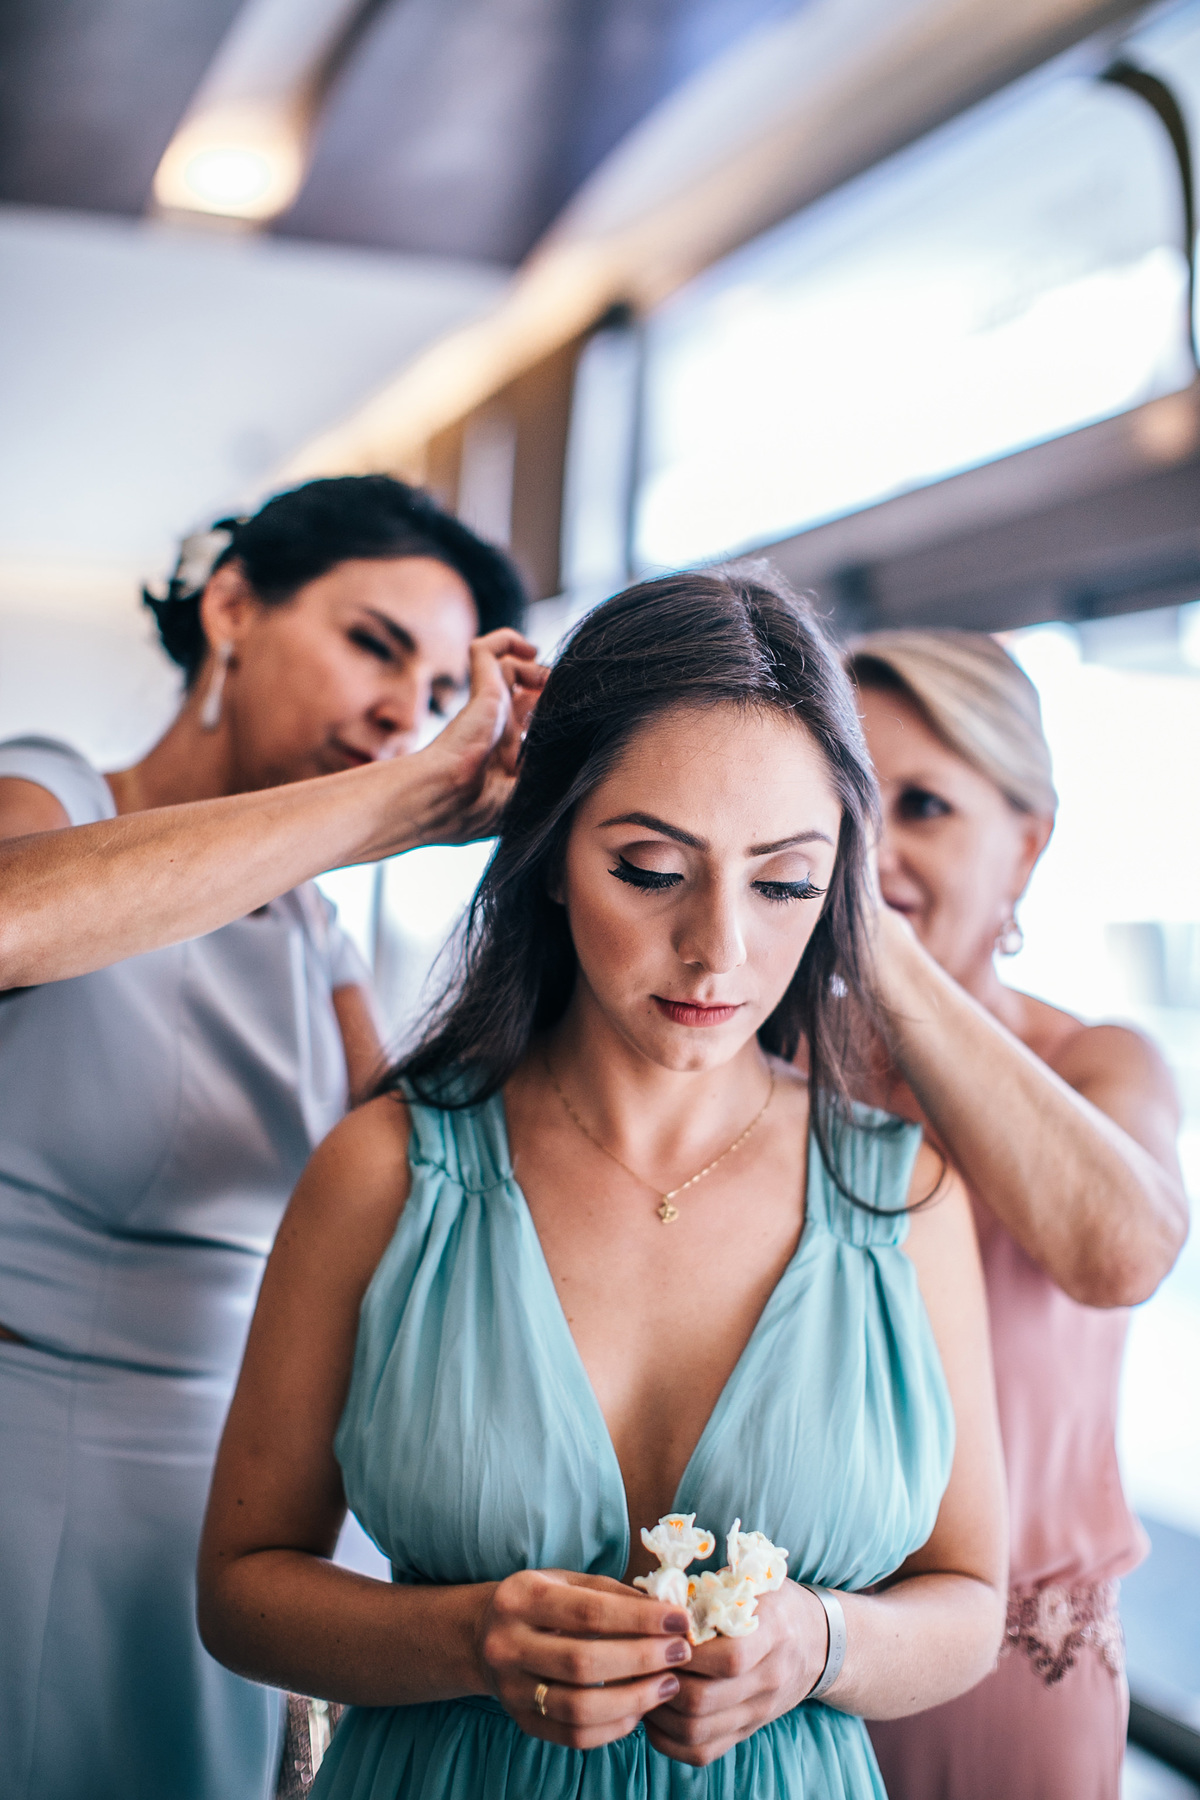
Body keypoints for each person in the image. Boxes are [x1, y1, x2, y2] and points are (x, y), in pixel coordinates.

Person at [198, 567, 1008, 1800]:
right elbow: (240, 1590)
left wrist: (821, 1643)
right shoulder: (383, 1169)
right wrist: (467, 1638)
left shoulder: (904, 1198)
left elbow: (971, 1602)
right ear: (551, 854)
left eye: (784, 883)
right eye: (650, 868)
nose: (719, 948)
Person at [0, 474, 545, 1800]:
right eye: (373, 645)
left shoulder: (313, 930)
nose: (400, 713)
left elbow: (433, 1169)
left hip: (233, 1501)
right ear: (234, 608)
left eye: (435, 694)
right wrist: (402, 795)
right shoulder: (50, 793)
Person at [845, 630, 1188, 1800]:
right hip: (780, 1658)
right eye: (848, 807)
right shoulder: (760, 1060)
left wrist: (885, 957)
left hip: (1008, 1687)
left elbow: (1122, 1251)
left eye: (923, 807)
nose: (874, 849)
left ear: (1026, 846)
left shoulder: (1100, 1063)